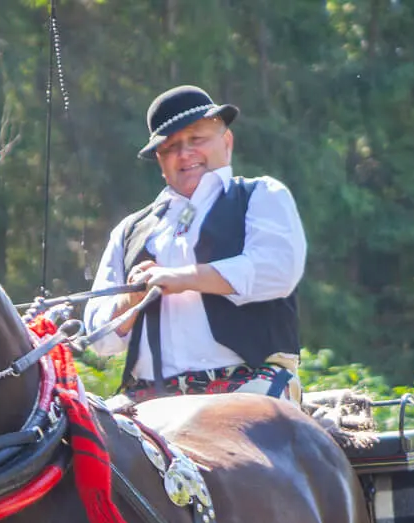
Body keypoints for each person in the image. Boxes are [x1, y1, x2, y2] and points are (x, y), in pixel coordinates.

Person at [83, 84, 306, 405]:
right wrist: (130, 301)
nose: (184, 153)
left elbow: (276, 271)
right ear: (160, 159)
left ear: (226, 142)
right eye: (171, 146)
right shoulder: (130, 230)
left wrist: (182, 277)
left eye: (196, 139)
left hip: (248, 384)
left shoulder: (261, 195)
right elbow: (99, 340)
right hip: (150, 397)